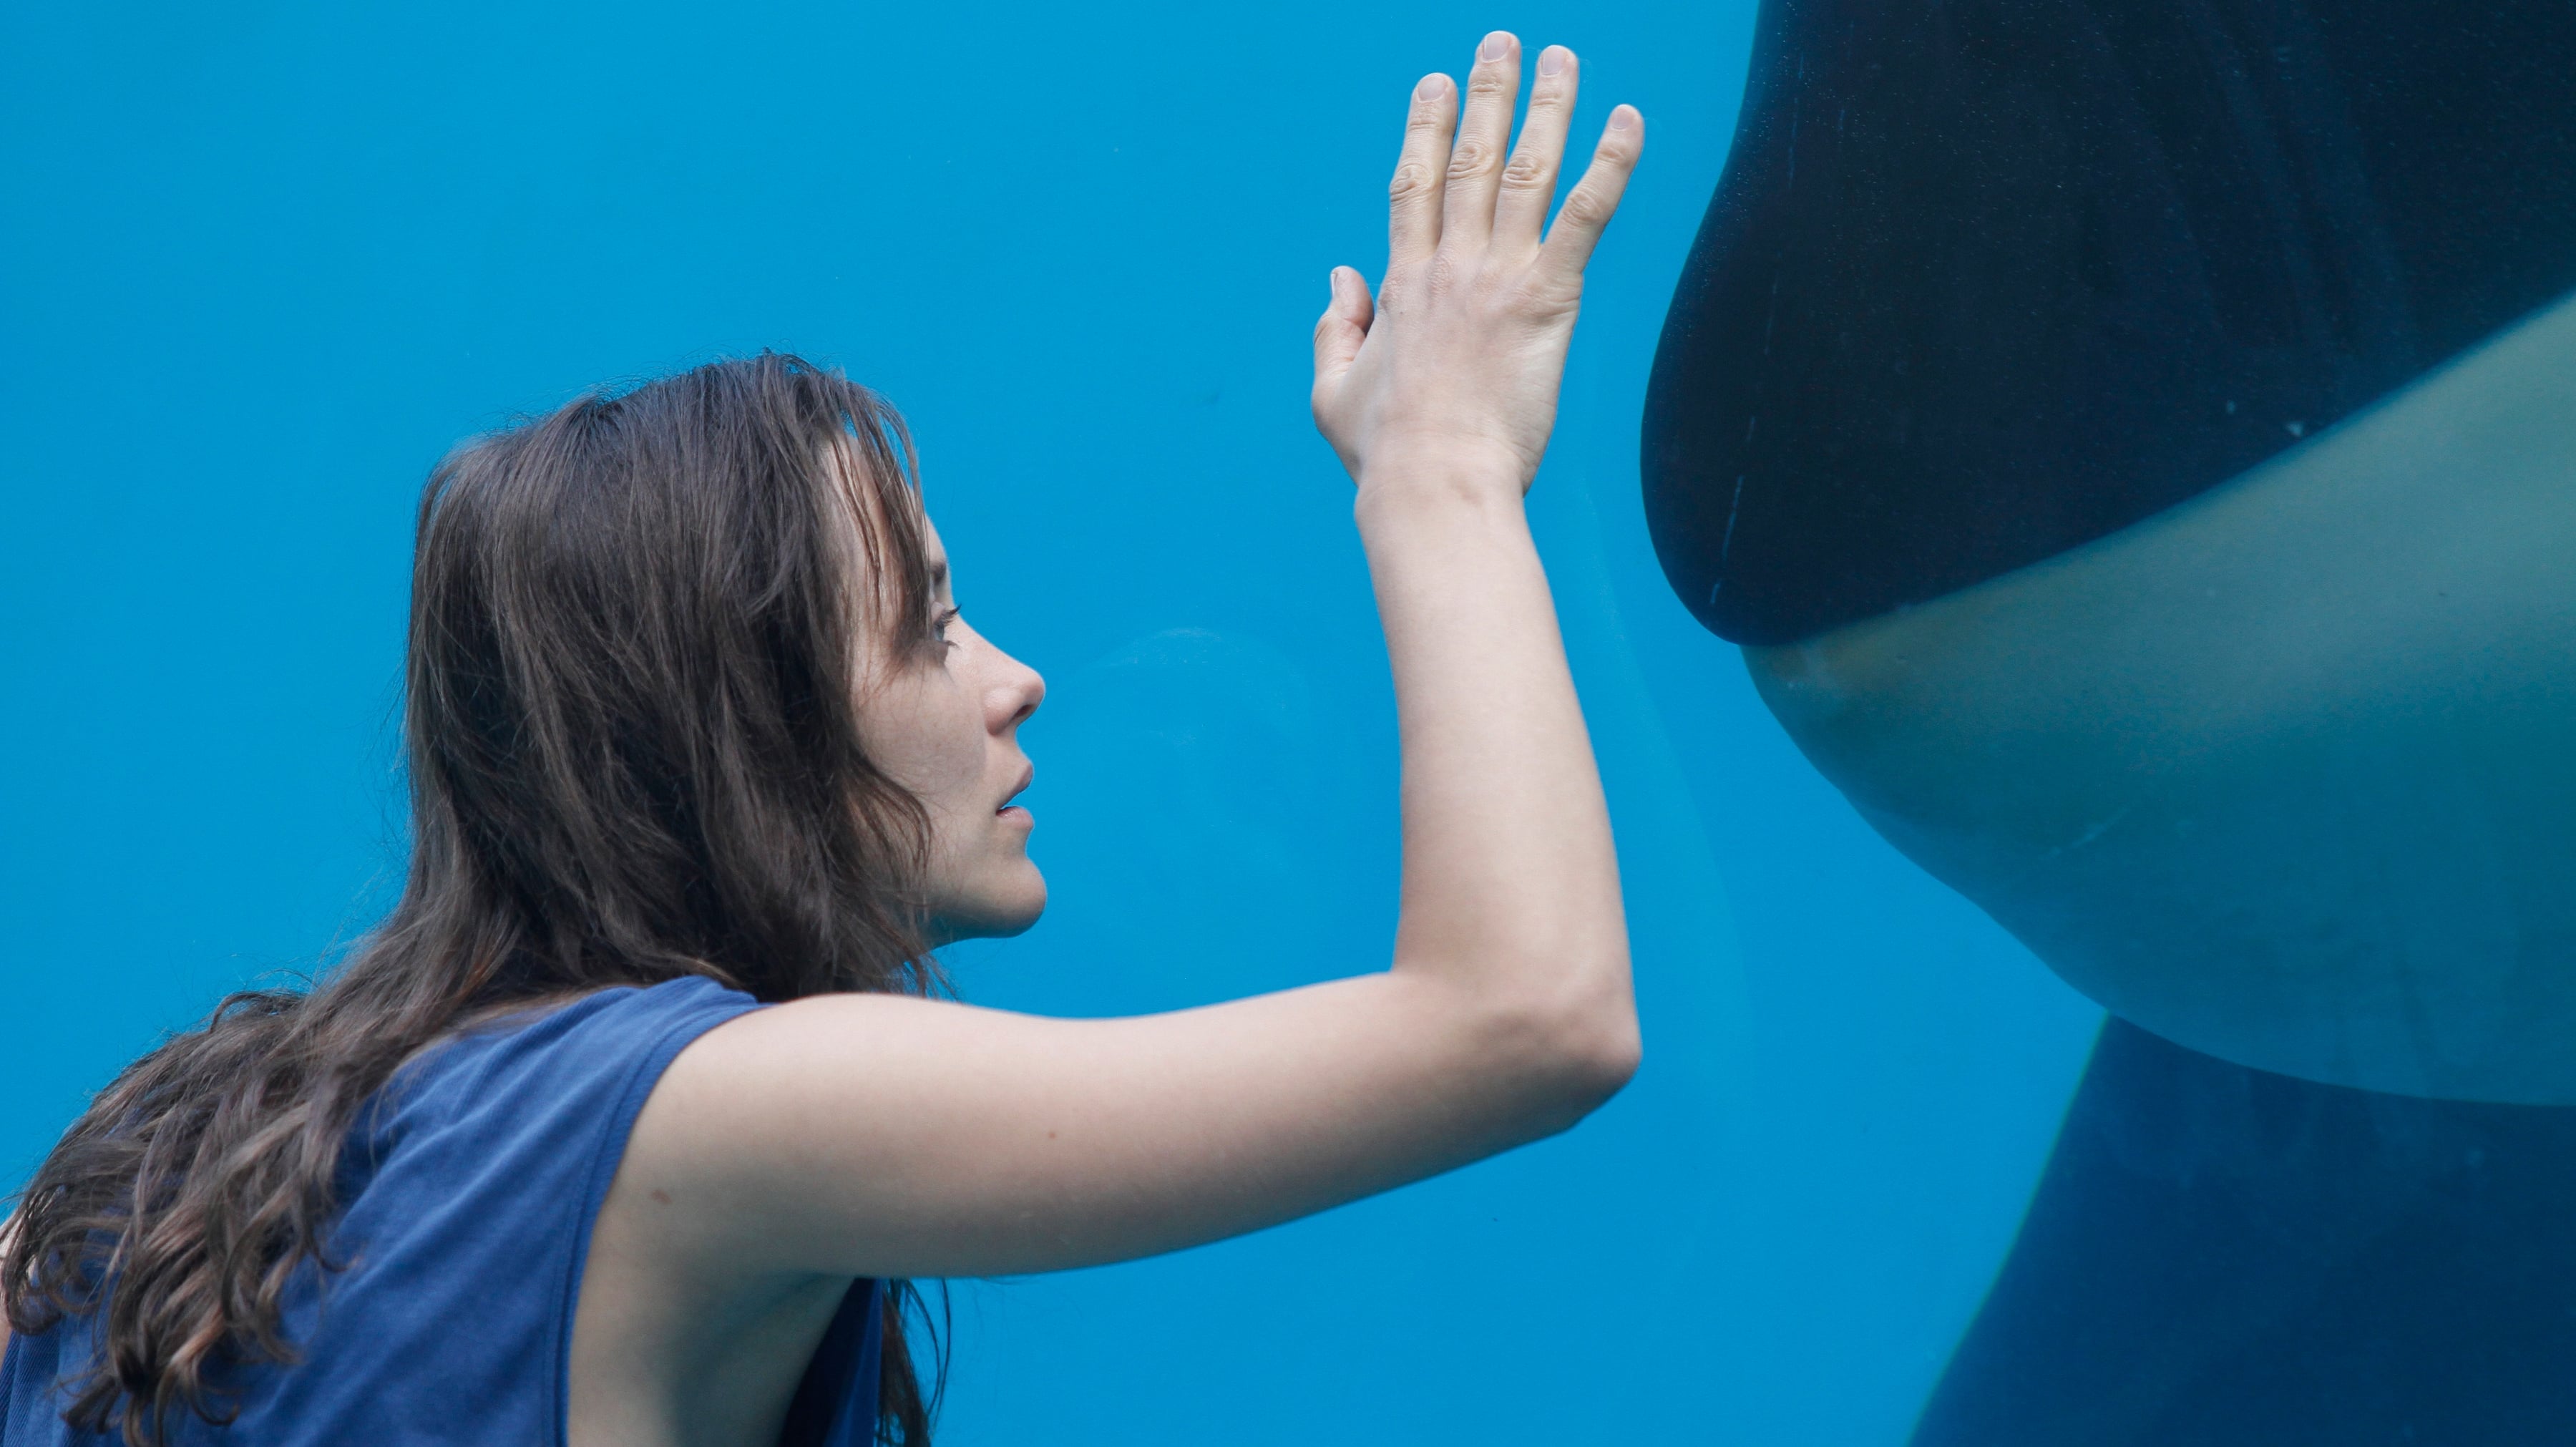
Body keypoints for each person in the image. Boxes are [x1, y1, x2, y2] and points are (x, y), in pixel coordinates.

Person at [0, 33, 1644, 1447]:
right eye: (929, 628)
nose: (1018, 681)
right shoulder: (710, 1108)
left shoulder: (182, 1137)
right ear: (738, 738)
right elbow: (1529, 1017)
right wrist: (1441, 463)